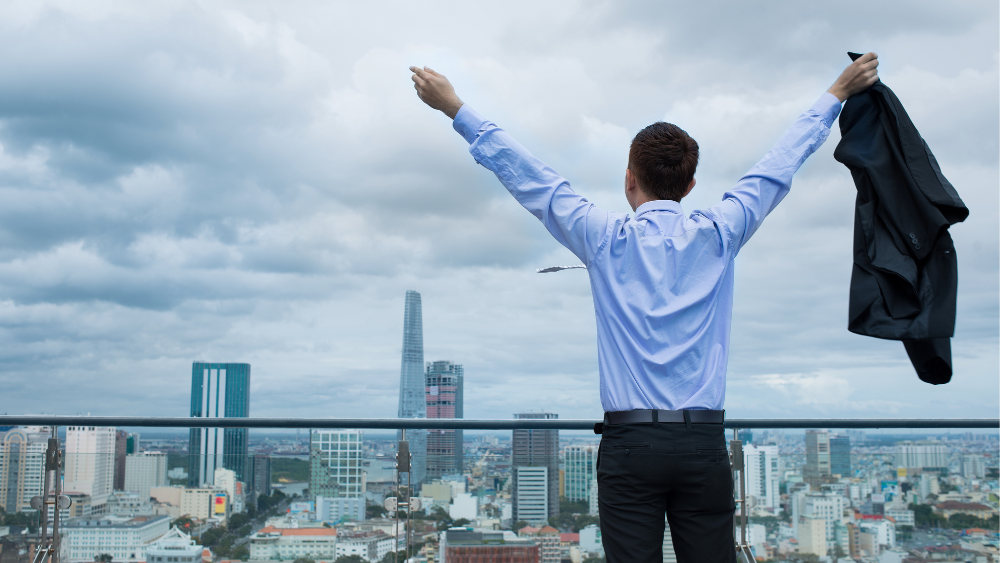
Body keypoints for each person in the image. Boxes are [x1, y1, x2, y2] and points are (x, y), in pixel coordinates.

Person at [409, 54, 879, 563]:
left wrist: (455, 107)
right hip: (702, 440)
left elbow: (531, 177)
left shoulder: (603, 237)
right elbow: (778, 165)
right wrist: (836, 93)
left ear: (629, 178)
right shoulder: (721, 231)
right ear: (690, 185)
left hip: (629, 444)